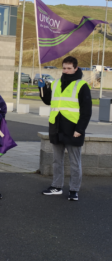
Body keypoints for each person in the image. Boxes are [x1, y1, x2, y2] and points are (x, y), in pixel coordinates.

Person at [38, 56, 92, 201]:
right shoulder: (55, 83)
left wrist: (80, 130)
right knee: (57, 161)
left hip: (73, 129)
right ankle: (56, 186)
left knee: (75, 162)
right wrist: (42, 88)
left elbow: (86, 111)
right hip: (56, 127)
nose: (66, 71)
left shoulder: (82, 85)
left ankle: (74, 189)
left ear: (75, 68)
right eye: (64, 68)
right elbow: (48, 101)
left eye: (69, 68)